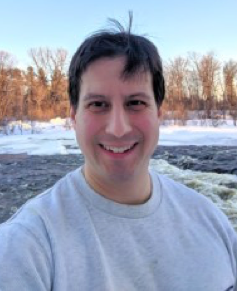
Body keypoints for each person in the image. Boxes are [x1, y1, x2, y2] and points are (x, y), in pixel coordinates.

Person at [0, 17, 237, 291]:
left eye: (135, 103)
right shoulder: (26, 248)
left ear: (158, 114)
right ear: (74, 118)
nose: (118, 128)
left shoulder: (209, 218)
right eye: (98, 104)